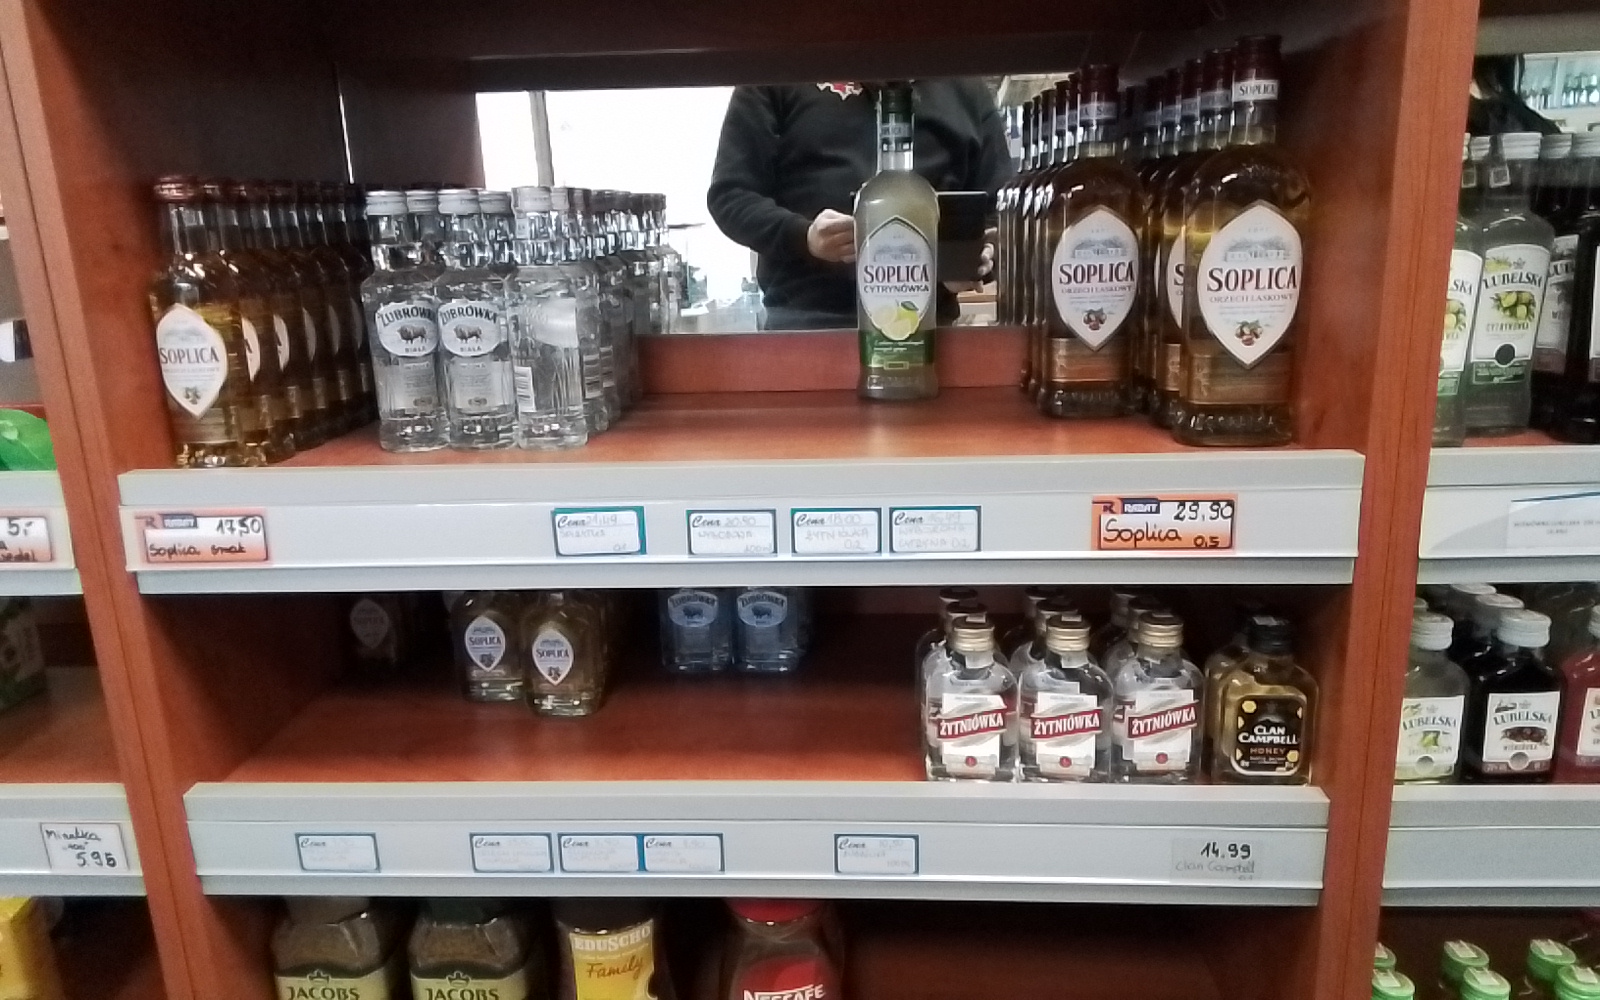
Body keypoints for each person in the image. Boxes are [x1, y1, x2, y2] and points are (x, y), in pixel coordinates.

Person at [707, 80, 1013, 330]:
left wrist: (976, 259)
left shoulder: (964, 87)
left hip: (927, 327)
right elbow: (731, 195)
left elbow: (1004, 212)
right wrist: (803, 236)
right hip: (808, 327)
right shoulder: (781, 71)